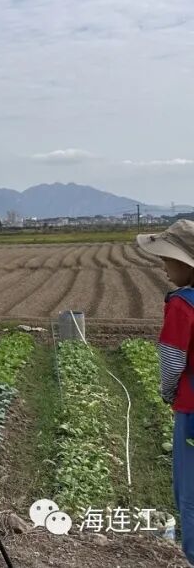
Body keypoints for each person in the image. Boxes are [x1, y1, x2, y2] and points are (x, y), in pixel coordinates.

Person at [139, 219, 194, 566]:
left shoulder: (182, 305)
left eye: (168, 258)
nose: (163, 264)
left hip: (192, 412)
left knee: (189, 494)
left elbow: (172, 361)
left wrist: (167, 393)